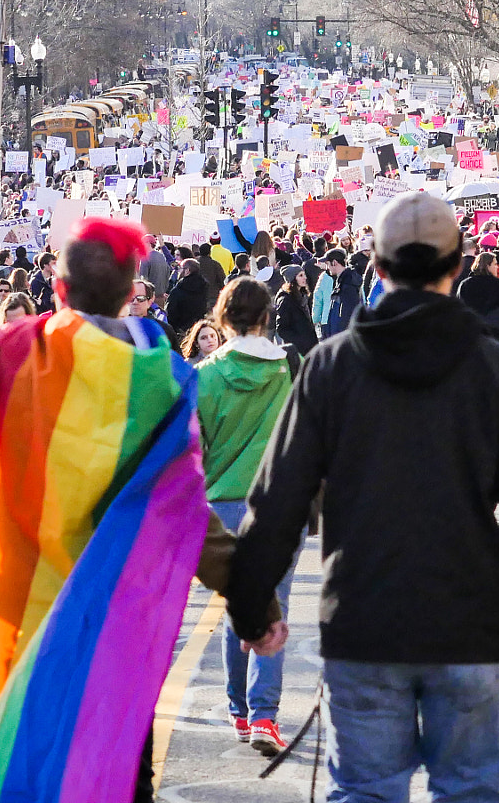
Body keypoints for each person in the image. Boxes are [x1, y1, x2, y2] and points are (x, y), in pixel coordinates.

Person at [0, 132, 283, 803]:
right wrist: (254, 607)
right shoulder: (164, 385)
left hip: (18, 616)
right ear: (131, 294)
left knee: (15, 772)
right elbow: (187, 515)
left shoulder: (7, 358)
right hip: (114, 623)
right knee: (114, 776)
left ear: (55, 286)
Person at [226, 191, 499, 803]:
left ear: (377, 268)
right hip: (469, 626)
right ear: (459, 264)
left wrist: (253, 612)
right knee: (473, 792)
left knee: (365, 792)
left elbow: (278, 501)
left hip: (365, 621)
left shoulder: (332, 369)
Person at [195, 277, 296, 753]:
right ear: (266, 317)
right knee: (275, 604)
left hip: (222, 501)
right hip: (279, 502)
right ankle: (265, 716)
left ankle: (238, 709)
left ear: (222, 316)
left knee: (235, 605)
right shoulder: (290, 367)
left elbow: (195, 447)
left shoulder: (206, 374)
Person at [457, 251, 499, 350]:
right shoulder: (498, 285)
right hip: (497, 332)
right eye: (495, 264)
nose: (497, 267)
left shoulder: (466, 284)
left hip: (473, 332)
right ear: (487, 266)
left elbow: (461, 308)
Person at [273, 264, 318, 355]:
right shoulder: (286, 300)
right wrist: (298, 341)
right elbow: (281, 328)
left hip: (310, 345)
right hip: (298, 349)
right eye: (300, 275)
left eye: (304, 275)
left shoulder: (303, 295)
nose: (304, 278)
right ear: (292, 279)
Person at [319, 249, 363, 336]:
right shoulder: (343, 281)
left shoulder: (348, 284)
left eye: (328, 264)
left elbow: (348, 314)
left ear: (334, 262)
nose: (327, 268)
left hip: (344, 337)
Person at [166, 258, 209, 334]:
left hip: (180, 329)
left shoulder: (179, 289)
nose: (178, 271)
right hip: (198, 328)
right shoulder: (204, 287)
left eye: (180, 268)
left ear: (187, 271)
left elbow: (170, 311)